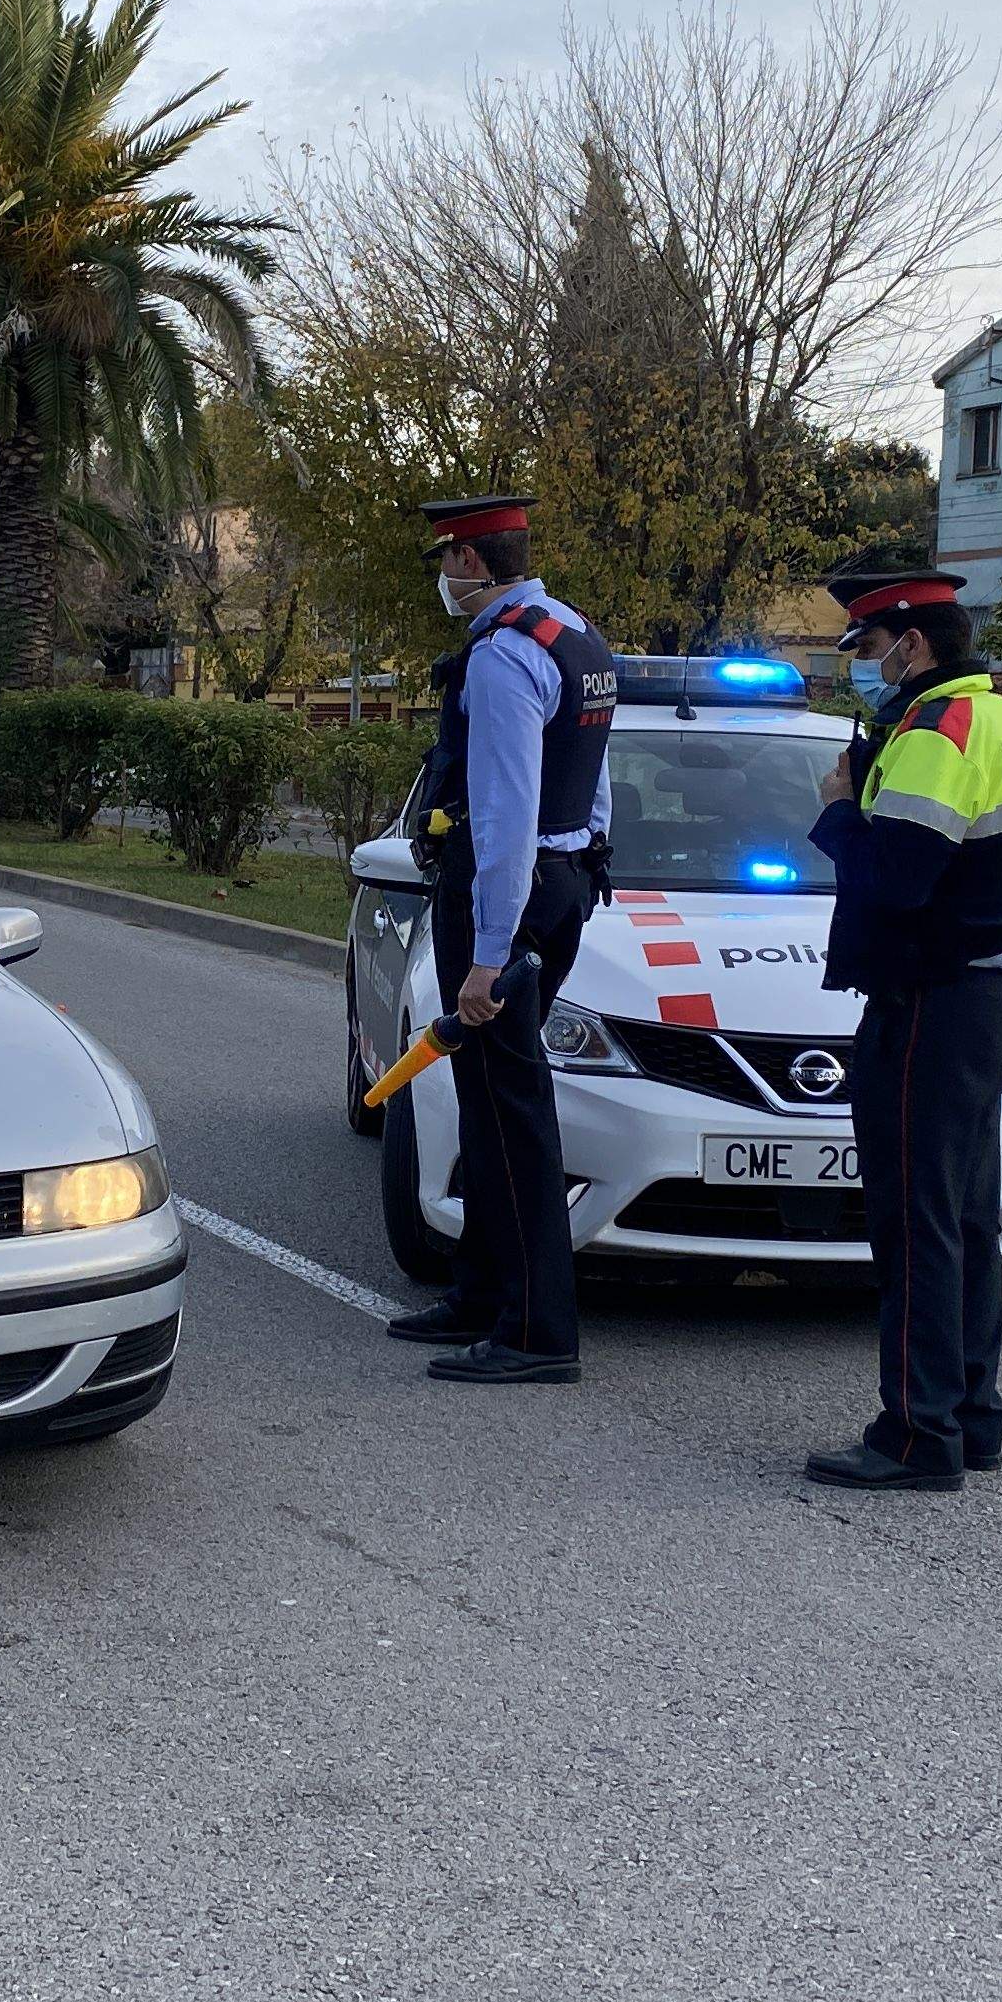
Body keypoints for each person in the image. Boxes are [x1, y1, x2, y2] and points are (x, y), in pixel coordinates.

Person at [799, 558, 1002, 1491]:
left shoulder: (934, 727)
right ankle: (970, 1418)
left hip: (930, 1001)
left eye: (870, 648)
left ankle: (915, 1436)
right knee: (960, 1217)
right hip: (991, 992)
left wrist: (838, 810)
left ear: (911, 644)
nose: (864, 666)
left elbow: (893, 881)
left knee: (916, 1222)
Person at [388, 493, 618, 1385]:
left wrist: (488, 954)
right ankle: (480, 1290)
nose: (443, 576)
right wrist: (583, 867)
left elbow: (505, 812)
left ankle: (535, 1331)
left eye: (447, 559)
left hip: (507, 894)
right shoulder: (575, 634)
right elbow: (589, 783)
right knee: (486, 1094)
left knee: (510, 1102)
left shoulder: (503, 655)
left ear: (475, 565)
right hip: (563, 880)